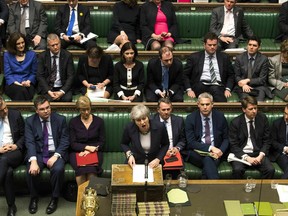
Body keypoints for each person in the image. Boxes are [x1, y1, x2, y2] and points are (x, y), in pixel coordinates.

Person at [25, 95, 70, 214]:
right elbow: (29, 142)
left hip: (55, 152)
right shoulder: (30, 121)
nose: (46, 111)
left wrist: (56, 156)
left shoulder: (60, 119)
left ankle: (54, 198)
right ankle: (34, 198)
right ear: (36, 110)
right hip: (38, 153)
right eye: (42, 109)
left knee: (58, 169)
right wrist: (33, 161)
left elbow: (65, 140)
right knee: (31, 169)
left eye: (48, 107)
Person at [229, 96, 275, 179]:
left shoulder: (262, 119)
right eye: (250, 109)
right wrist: (247, 158)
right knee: (237, 170)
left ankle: (261, 191)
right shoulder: (236, 122)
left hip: (258, 153)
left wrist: (260, 156)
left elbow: (267, 140)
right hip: (242, 154)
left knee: (270, 170)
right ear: (244, 109)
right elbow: (233, 145)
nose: (254, 111)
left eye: (255, 108)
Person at [185, 92, 229, 179]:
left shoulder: (220, 117)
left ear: (212, 104)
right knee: (208, 159)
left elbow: (226, 138)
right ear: (198, 105)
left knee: (208, 162)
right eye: (202, 104)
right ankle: (216, 186)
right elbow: (191, 142)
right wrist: (211, 148)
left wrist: (220, 151)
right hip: (197, 152)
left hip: (216, 153)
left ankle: (205, 188)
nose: (205, 107)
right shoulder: (191, 118)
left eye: (207, 104)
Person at [183, 32, 234, 102]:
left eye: (214, 45)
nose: (212, 47)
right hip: (200, 85)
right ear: (204, 45)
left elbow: (231, 75)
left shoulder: (224, 57)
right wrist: (189, 89)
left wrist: (228, 89)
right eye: (209, 45)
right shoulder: (194, 57)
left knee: (216, 91)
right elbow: (185, 75)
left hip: (218, 86)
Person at [69, 96, 105, 185]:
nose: (86, 112)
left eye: (88, 109)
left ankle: (91, 197)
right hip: (78, 152)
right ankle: (81, 197)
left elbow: (102, 142)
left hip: (95, 151)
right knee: (81, 170)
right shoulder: (73, 122)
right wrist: (87, 148)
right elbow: (73, 143)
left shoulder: (99, 121)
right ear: (78, 110)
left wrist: (91, 150)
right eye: (83, 110)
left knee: (92, 170)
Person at [121, 104, 169, 169]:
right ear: (134, 121)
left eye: (144, 118)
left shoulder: (160, 127)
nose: (142, 122)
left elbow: (165, 144)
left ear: (148, 117)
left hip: (154, 162)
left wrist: (158, 159)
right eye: (138, 120)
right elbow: (124, 144)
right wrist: (129, 155)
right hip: (135, 161)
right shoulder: (129, 128)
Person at [0, 96, 25, 216]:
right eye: (1, 110)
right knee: (8, 172)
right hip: (0, 153)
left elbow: (24, 135)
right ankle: (11, 206)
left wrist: (16, 145)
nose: (5, 111)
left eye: (5, 107)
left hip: (14, 152)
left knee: (4, 160)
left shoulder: (15, 115)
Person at [151, 97, 186, 178]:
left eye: (168, 109)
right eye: (163, 110)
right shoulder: (151, 121)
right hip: (158, 155)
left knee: (177, 177)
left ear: (171, 109)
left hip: (174, 154)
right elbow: (150, 142)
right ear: (158, 110)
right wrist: (163, 151)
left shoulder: (179, 121)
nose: (166, 112)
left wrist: (177, 148)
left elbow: (183, 139)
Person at [37, 33, 75, 102]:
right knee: (47, 100)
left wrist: (62, 91)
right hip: (48, 87)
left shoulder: (67, 55)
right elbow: (40, 76)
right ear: (48, 46)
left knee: (67, 99)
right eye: (53, 45)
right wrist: (49, 91)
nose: (55, 47)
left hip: (63, 87)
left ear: (60, 43)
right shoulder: (42, 56)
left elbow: (71, 76)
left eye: (57, 44)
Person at [234, 35, 272, 102]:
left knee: (259, 103)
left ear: (259, 47)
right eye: (250, 45)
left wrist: (248, 80)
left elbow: (262, 79)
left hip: (259, 87)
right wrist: (243, 84)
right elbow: (237, 76)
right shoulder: (239, 58)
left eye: (254, 45)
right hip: (243, 87)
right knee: (246, 102)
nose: (251, 47)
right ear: (247, 45)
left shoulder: (264, 59)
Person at [4, 32, 37, 101]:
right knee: (21, 90)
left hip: (28, 83)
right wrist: (19, 84)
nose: (21, 45)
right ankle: (26, 109)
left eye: (23, 42)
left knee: (25, 90)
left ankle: (17, 111)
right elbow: (8, 75)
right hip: (13, 84)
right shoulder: (7, 55)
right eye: (18, 44)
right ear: (13, 45)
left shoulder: (32, 54)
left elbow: (33, 73)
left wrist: (28, 81)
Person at [270, 104, 288, 179]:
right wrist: (284, 148)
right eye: (285, 113)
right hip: (281, 153)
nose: (286, 117)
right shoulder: (277, 123)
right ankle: (281, 186)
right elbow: (272, 141)